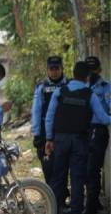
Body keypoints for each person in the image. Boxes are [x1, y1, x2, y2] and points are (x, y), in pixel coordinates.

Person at [45, 61, 111, 214]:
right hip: (80, 142)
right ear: (87, 77)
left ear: (72, 74)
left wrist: (49, 139)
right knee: (78, 179)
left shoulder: (60, 92)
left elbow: (49, 117)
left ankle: (55, 209)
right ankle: (76, 210)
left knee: (58, 177)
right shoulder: (90, 94)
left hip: (60, 140)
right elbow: (102, 118)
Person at [31, 56, 68, 184]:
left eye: (56, 68)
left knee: (62, 167)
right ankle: (52, 197)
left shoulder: (68, 85)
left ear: (61, 68)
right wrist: (36, 134)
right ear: (47, 70)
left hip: (64, 132)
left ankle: (61, 198)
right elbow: (36, 111)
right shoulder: (42, 87)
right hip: (45, 133)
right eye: (51, 69)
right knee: (48, 167)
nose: (54, 71)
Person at [84, 56, 111, 214]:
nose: (91, 73)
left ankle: (91, 206)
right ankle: (93, 201)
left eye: (94, 69)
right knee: (85, 168)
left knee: (93, 168)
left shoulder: (106, 87)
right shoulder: (81, 87)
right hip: (83, 131)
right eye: (89, 70)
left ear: (99, 70)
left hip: (99, 131)